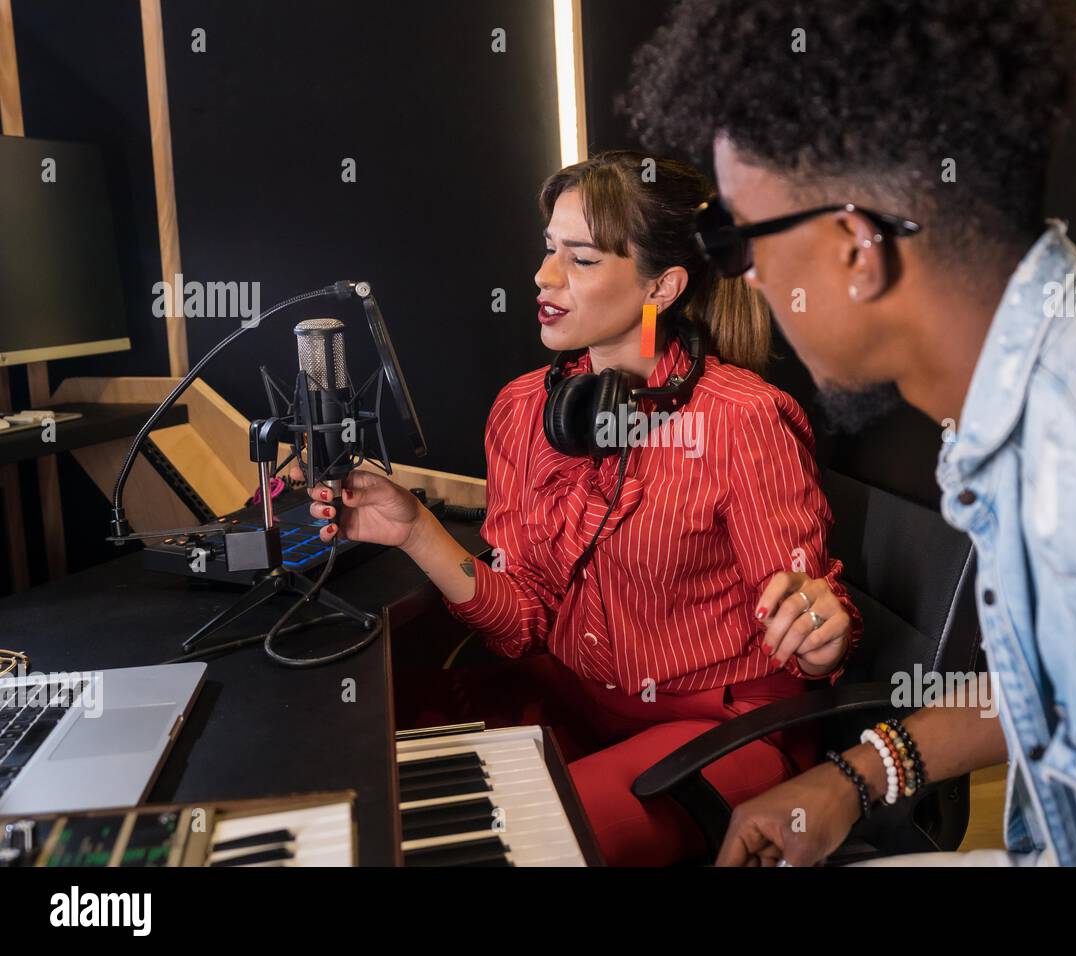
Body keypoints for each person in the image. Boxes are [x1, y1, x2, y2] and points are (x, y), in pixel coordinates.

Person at [624, 0, 1076, 866]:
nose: (746, 279)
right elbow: (1057, 688)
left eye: (740, 239)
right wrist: (854, 778)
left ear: (853, 248)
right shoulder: (1029, 409)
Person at [304, 150, 862, 865]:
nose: (543, 277)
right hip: (570, 701)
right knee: (350, 748)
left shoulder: (742, 419)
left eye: (583, 258)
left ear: (663, 285)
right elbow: (522, 628)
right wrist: (417, 532)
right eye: (547, 251)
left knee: (515, 846)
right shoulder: (519, 411)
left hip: (722, 730)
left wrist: (822, 631)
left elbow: (811, 627)